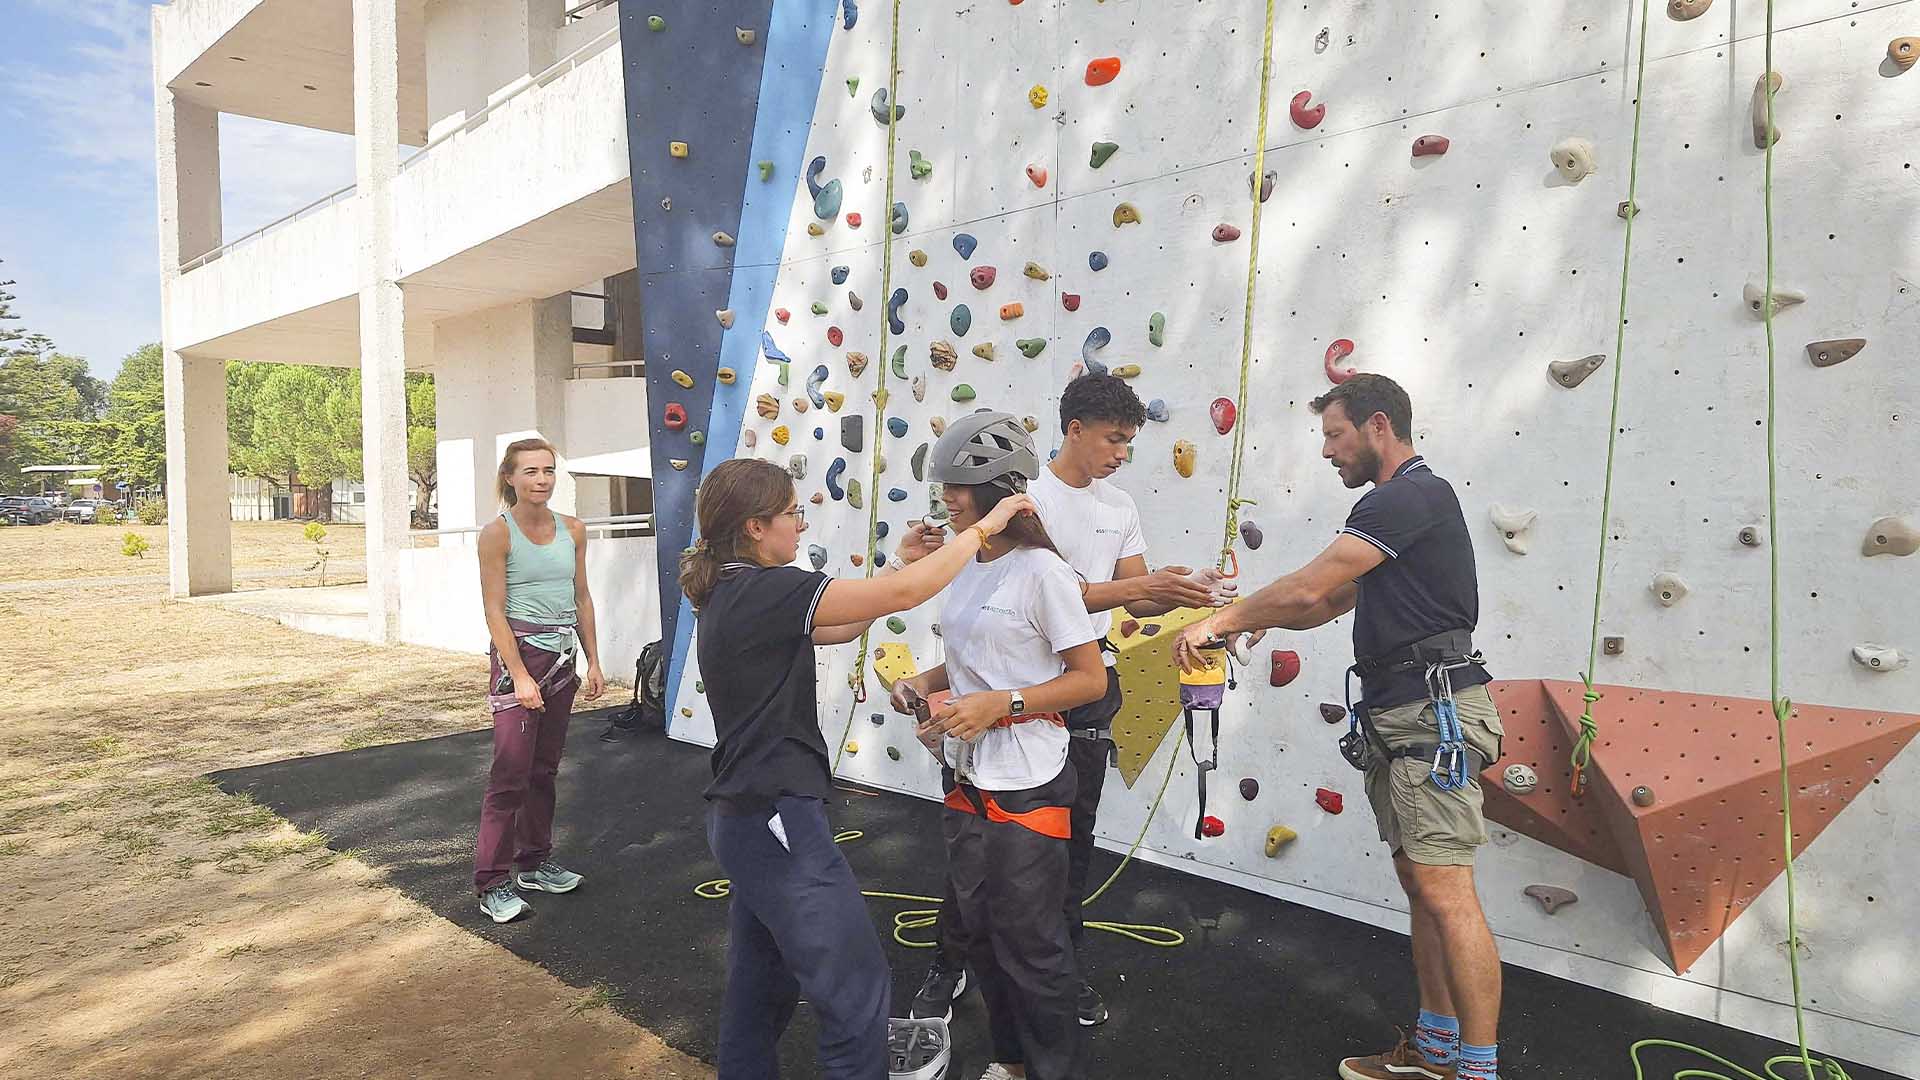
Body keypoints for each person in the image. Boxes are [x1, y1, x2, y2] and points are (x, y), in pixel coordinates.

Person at [1173, 374, 1504, 1080]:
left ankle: (1478, 1071)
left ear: (1378, 425)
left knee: (1446, 889)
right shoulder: (1400, 512)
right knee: (1422, 883)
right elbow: (1323, 605)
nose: (1327, 451)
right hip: (1403, 712)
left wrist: (1221, 620)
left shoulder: (1408, 496)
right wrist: (1255, 621)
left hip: (1430, 713)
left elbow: (1309, 585)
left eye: (1334, 435)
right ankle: (1438, 1052)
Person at [682, 456, 1037, 1080]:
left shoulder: (735, 590)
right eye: (792, 513)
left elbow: (842, 628)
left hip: (748, 819)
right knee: (856, 989)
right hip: (776, 818)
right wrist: (984, 527)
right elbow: (902, 597)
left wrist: (900, 560)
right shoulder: (766, 588)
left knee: (760, 984)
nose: (801, 523)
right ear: (756, 527)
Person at [906, 375, 1223, 1028]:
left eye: (1129, 442)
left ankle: (1058, 973)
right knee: (973, 849)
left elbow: (1132, 597)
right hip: (1009, 683)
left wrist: (1181, 587)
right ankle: (950, 963)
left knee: (1070, 843)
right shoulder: (1020, 499)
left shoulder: (1119, 506)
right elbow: (1058, 594)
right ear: (1073, 430)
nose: (1121, 454)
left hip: (1079, 690)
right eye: (1113, 439)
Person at [889, 411, 1110, 1080]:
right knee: (981, 932)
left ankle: (1050, 1070)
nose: (947, 500)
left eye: (957, 487)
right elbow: (974, 658)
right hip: (967, 776)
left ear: (997, 490)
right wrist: (924, 684)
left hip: (1029, 780)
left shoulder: (1042, 572)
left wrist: (1002, 705)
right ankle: (1012, 1061)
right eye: (944, 487)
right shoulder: (967, 563)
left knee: (1032, 945)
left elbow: (1089, 679)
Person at [472, 438, 607, 924]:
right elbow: (494, 609)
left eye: (548, 470)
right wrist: (519, 675)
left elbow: (582, 597)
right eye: (530, 471)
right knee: (510, 774)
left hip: (562, 659)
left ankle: (533, 863)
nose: (541, 479)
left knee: (544, 770)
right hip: (521, 657)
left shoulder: (573, 530)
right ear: (510, 478)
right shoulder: (497, 534)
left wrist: (594, 661)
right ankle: (492, 883)